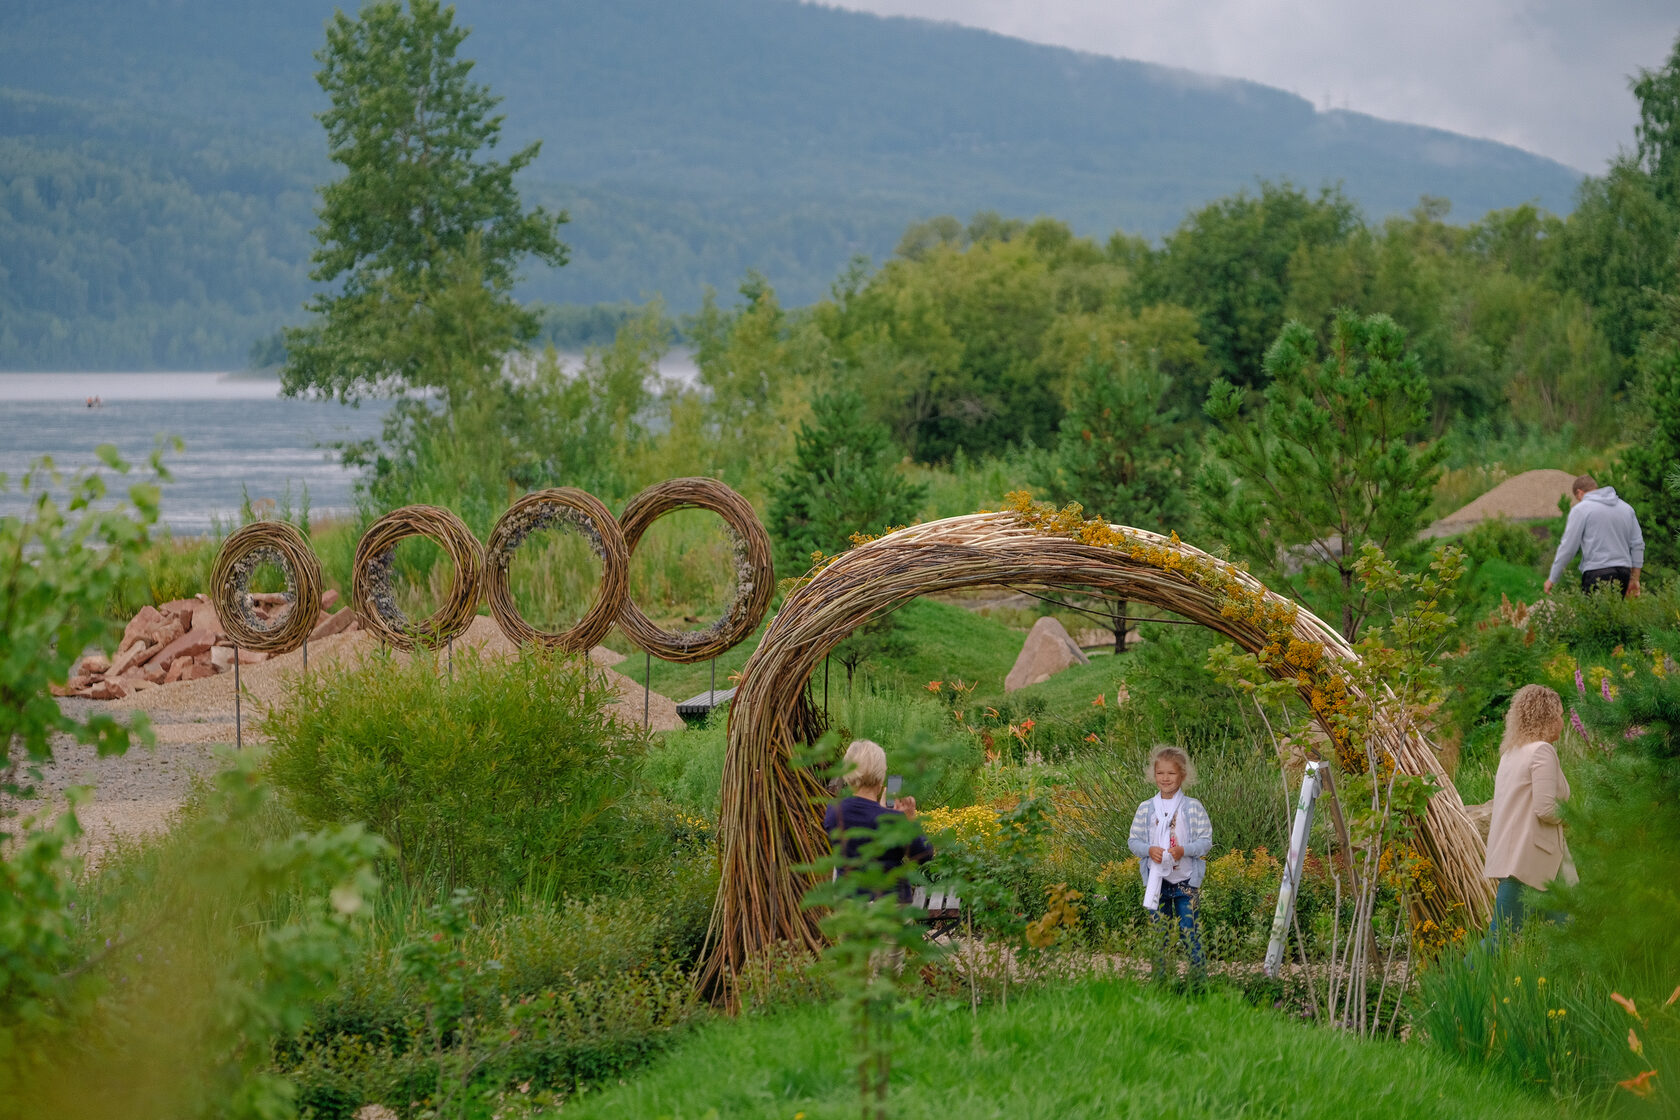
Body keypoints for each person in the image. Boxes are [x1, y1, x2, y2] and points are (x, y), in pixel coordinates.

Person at [1481, 684, 1575, 947]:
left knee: (1569, 930)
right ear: (1545, 717)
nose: (1562, 722)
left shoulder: (1511, 754)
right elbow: (1545, 809)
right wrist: (1572, 817)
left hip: (1527, 862)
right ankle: (1449, 985)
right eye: (1559, 715)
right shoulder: (1542, 751)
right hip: (1530, 864)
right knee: (1498, 943)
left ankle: (1576, 984)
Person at [1128, 744, 1213, 980]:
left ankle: (1198, 984)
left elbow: (1206, 841)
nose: (1165, 778)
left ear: (1182, 775)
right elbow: (1133, 842)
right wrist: (1149, 849)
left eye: (1171, 773)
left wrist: (1184, 850)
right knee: (1159, 936)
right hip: (1157, 883)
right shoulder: (1146, 809)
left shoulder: (1193, 807)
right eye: (1160, 773)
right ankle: (1161, 982)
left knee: (1190, 934)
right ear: (1154, 775)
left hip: (1186, 882)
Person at [823, 739, 933, 902]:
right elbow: (924, 855)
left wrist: (880, 809)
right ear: (880, 776)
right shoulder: (894, 820)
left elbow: (864, 819)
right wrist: (910, 819)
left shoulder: (834, 811)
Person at [1545, 474, 1645, 599]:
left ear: (1579, 492)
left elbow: (1568, 548)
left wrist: (1553, 578)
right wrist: (1634, 578)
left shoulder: (1581, 509)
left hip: (1597, 572)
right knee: (1616, 617)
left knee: (1596, 617)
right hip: (1623, 572)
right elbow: (1638, 544)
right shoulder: (1626, 508)